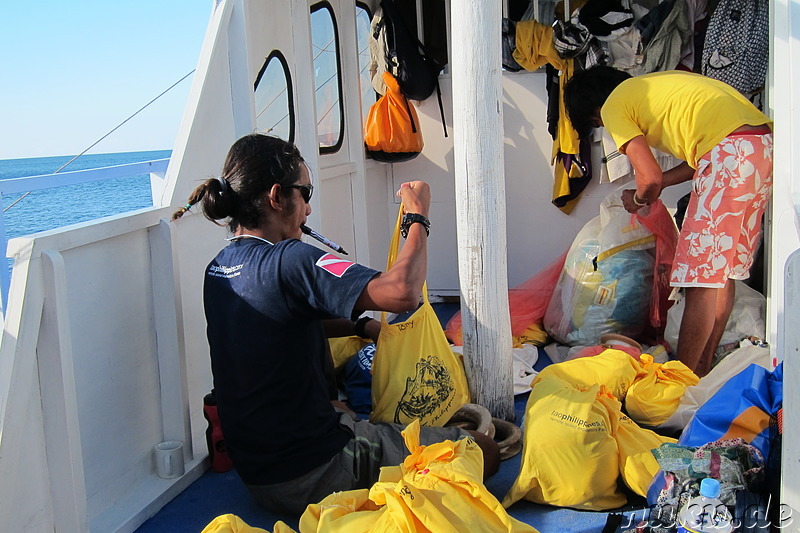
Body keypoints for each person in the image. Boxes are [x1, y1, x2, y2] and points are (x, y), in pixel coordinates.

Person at [171, 134, 499, 514]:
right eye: (304, 193)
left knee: (341, 408)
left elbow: (279, 320)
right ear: (277, 197)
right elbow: (402, 291)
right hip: (314, 469)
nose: (308, 209)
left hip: (258, 472)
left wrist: (363, 329)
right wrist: (418, 215)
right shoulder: (291, 259)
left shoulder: (218, 269)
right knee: (484, 448)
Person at [564, 67, 773, 377]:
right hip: (760, 147)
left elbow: (649, 177)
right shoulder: (655, 87)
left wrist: (637, 201)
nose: (604, 126)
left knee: (699, 279)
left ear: (595, 109)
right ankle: (700, 370)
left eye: (597, 124)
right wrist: (650, 190)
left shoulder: (614, 105)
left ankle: (680, 381)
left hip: (728, 155)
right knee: (721, 273)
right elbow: (690, 166)